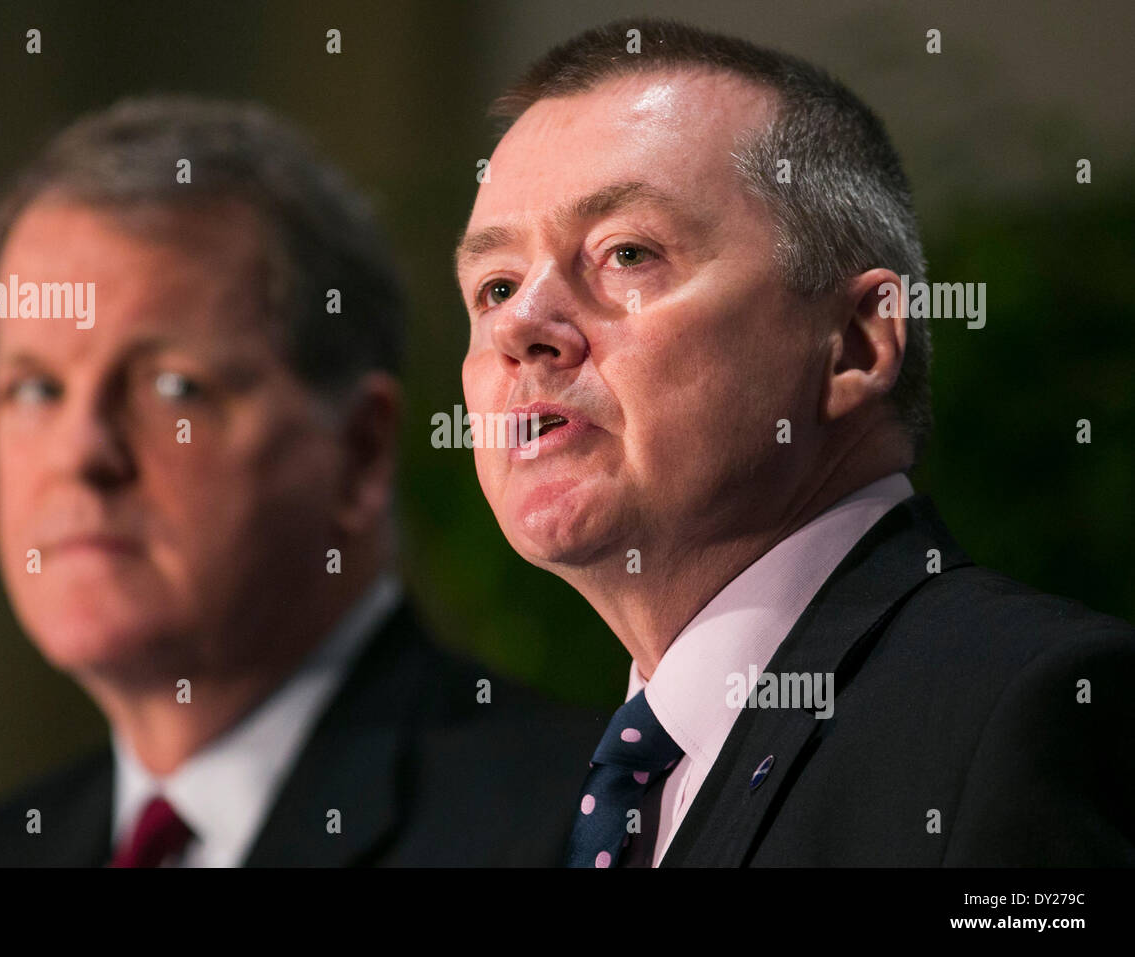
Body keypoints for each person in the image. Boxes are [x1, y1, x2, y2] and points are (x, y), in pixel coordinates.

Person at [454, 20, 1135, 866]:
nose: (520, 326)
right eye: (495, 286)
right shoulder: (567, 804)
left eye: (626, 253)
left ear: (852, 343)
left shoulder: (1034, 707)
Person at [0, 95, 598, 867]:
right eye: (36, 389)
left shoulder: (580, 827)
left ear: (361, 450)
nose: (82, 452)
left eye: (172, 388)